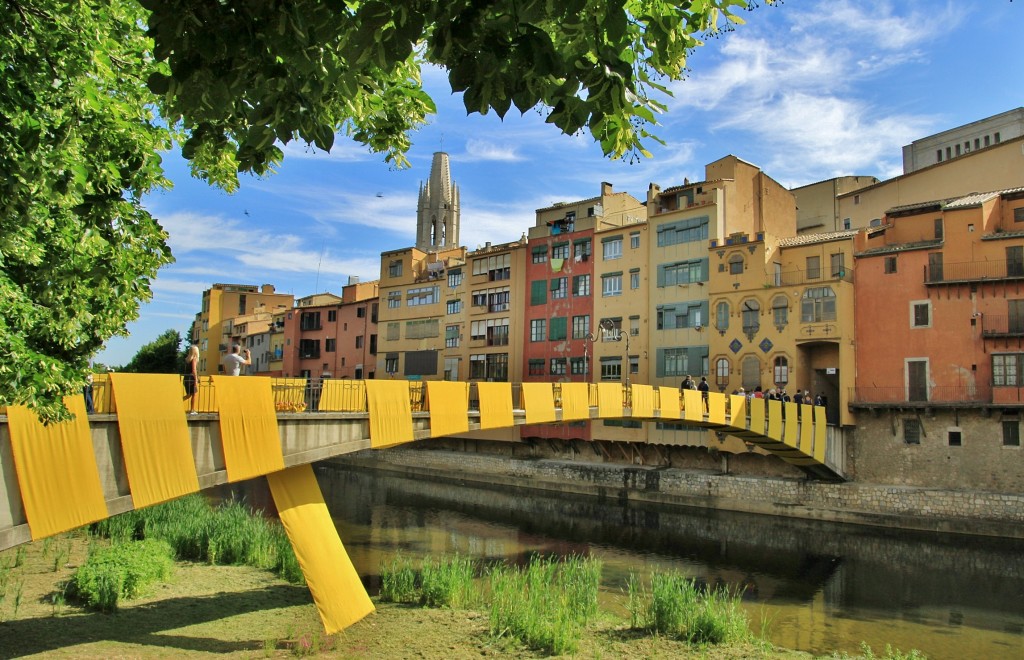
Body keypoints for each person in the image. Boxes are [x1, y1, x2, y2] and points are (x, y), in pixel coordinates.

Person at [183, 345, 200, 414]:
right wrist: (196, 379)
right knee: (194, 394)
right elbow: (194, 370)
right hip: (192, 379)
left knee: (188, 395)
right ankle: (192, 410)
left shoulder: (187, 359)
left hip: (186, 378)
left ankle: (177, 403)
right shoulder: (194, 359)